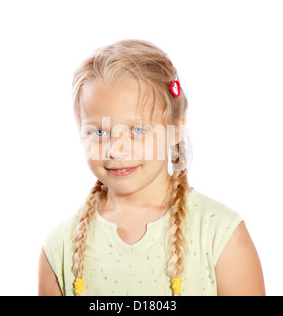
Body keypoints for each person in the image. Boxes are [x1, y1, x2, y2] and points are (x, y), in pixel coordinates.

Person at [38, 39, 265, 296]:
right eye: (99, 131)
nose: (116, 149)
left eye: (138, 130)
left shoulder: (221, 235)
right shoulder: (59, 248)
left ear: (175, 129)